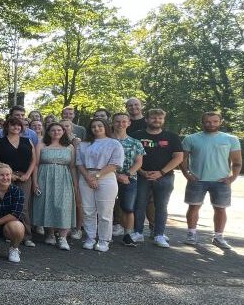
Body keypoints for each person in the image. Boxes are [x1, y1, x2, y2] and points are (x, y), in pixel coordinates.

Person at [181, 112, 243, 249]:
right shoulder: (190, 139)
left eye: (215, 121)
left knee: (221, 209)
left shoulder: (231, 139)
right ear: (202, 122)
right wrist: (187, 174)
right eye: (208, 122)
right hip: (197, 180)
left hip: (221, 181)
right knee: (193, 207)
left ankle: (218, 237)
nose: (211, 124)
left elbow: (237, 162)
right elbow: (182, 159)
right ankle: (191, 234)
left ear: (220, 122)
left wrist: (232, 177)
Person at [131, 108, 183, 247]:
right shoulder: (136, 135)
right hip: (142, 176)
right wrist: (141, 172)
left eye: (160, 118)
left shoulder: (172, 137)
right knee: (139, 205)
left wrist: (161, 172)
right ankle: (138, 232)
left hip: (165, 177)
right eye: (153, 118)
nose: (157, 121)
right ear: (146, 119)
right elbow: (131, 156)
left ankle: (159, 234)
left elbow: (178, 157)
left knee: (161, 206)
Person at [76, 118, 124, 252]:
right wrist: (89, 178)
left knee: (105, 212)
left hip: (106, 178)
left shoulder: (114, 143)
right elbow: (79, 163)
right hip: (86, 177)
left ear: (105, 127)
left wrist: (96, 176)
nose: (96, 129)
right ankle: (90, 237)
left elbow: (115, 164)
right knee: (88, 210)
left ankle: (104, 240)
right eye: (93, 127)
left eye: (99, 126)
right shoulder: (84, 144)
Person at [0, 117, 37, 246]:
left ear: (22, 127)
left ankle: (27, 236)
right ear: (7, 127)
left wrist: (28, 174)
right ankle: (7, 233)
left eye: (18, 125)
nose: (16, 127)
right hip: (5, 177)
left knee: (23, 206)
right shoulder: (1, 141)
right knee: (5, 204)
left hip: (24, 177)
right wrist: (9, 174)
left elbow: (34, 160)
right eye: (13, 125)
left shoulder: (27, 141)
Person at [31, 123, 77, 250]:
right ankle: (50, 234)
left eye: (59, 130)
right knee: (47, 204)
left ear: (63, 131)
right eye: (53, 130)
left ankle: (62, 237)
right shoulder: (41, 145)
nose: (56, 132)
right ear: (48, 132)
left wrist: (75, 184)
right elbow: (35, 165)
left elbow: (72, 167)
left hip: (64, 178)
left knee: (64, 206)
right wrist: (35, 182)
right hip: (45, 177)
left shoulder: (70, 147)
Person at [111, 112, 144, 245]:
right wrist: (116, 175)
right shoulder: (106, 141)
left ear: (129, 123)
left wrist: (127, 175)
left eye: (124, 121)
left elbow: (138, 162)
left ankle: (128, 234)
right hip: (108, 177)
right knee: (106, 206)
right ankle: (104, 232)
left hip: (129, 178)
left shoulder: (136, 143)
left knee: (128, 207)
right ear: (113, 123)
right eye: (118, 121)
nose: (121, 124)